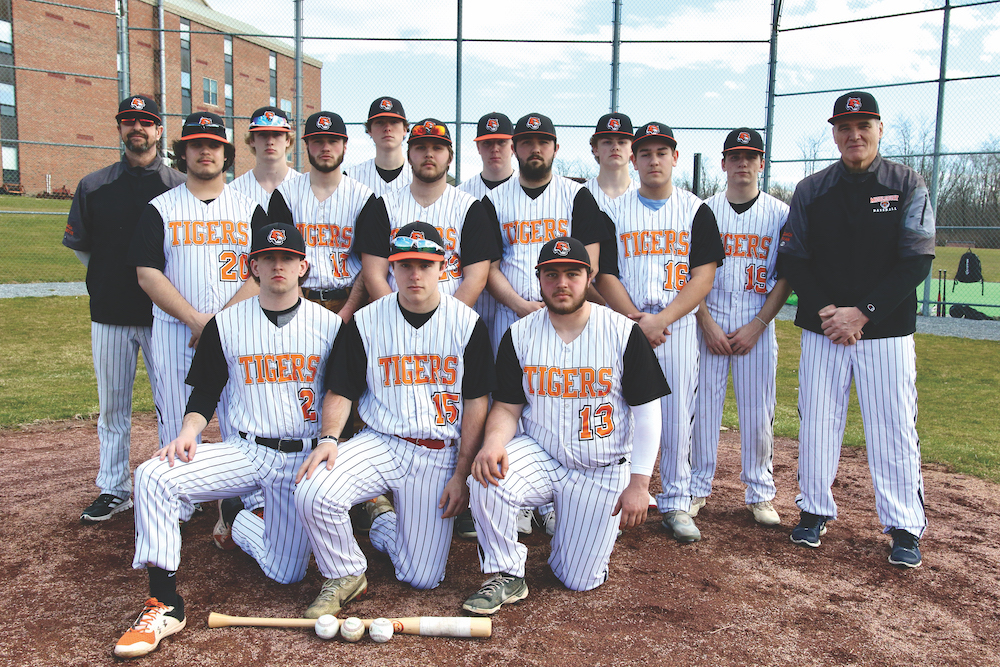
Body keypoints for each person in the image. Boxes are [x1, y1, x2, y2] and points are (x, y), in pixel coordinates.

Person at [113, 223, 342, 658]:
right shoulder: (226, 324)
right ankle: (165, 603)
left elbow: (341, 395)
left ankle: (235, 515)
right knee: (153, 475)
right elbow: (205, 391)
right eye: (268, 258)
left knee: (286, 573)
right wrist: (188, 432)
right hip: (247, 450)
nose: (278, 266)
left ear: (303, 266)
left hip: (303, 461)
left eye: (287, 258)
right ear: (253, 266)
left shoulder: (331, 326)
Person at [295, 222, 494, 618]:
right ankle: (345, 573)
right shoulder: (367, 321)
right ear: (392, 267)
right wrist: (329, 439)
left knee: (421, 577)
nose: (415, 274)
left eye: (425, 264)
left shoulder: (467, 323)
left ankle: (383, 520)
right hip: (381, 442)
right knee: (313, 489)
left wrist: (461, 473)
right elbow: (342, 390)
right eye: (405, 265)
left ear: (443, 267)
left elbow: (477, 403)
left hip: (438, 453)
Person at [462, 236, 669, 615]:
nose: (562, 283)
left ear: (588, 278)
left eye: (572, 274)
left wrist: (640, 483)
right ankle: (506, 573)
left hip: (600, 466)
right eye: (552, 274)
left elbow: (648, 413)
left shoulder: (622, 332)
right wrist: (492, 443)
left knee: (577, 579)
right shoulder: (519, 334)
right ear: (539, 279)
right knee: (487, 477)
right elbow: (507, 406)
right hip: (542, 454)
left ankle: (574, 541)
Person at [777, 91, 934, 568]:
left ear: (879, 129)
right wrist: (829, 310)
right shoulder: (812, 189)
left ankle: (904, 526)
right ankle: (813, 511)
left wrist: (862, 312)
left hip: (884, 330)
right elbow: (794, 258)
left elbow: (917, 259)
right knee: (818, 421)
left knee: (893, 427)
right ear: (835, 134)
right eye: (844, 127)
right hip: (824, 327)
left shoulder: (906, 183)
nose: (854, 134)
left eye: (863, 125)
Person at [484, 113, 613, 536]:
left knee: (559, 400)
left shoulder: (578, 197)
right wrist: (522, 305)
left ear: (556, 147)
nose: (534, 148)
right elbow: (489, 266)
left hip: (567, 316)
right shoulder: (493, 201)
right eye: (526, 141)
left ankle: (555, 498)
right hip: (510, 313)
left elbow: (590, 265)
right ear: (514, 148)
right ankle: (519, 496)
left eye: (543, 141)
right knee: (511, 404)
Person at [595, 122, 724, 543]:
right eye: (646, 153)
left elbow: (704, 277)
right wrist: (634, 320)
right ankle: (614, 498)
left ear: (675, 157)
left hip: (677, 327)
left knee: (678, 415)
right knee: (618, 412)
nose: (654, 160)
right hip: (624, 325)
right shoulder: (613, 212)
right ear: (634, 160)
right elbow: (604, 273)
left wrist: (662, 319)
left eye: (662, 152)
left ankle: (676, 502)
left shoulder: (696, 210)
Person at [63, 95, 185, 522]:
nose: (138, 128)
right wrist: (108, 278)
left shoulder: (178, 185)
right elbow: (83, 247)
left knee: (171, 407)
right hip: (110, 313)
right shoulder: (95, 184)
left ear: (158, 130)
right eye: (129, 121)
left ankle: (177, 488)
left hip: (163, 316)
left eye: (146, 121)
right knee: (113, 407)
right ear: (120, 128)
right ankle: (114, 489)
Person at [128, 112, 267, 452]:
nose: (206, 151)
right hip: (176, 331)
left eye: (214, 145)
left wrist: (217, 323)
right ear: (183, 152)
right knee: (177, 423)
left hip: (237, 329)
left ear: (226, 154)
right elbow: (147, 273)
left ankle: (242, 486)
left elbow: (262, 271)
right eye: (196, 144)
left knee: (242, 422)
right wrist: (194, 319)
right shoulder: (160, 209)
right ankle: (179, 485)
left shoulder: (251, 209)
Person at [690, 128, 791, 525]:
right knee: (701, 410)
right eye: (735, 156)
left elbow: (787, 276)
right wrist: (706, 322)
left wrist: (759, 325)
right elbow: (689, 272)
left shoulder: (780, 214)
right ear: (723, 163)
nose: (742, 163)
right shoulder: (703, 210)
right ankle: (697, 487)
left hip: (757, 319)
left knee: (758, 412)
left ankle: (760, 492)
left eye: (750, 156)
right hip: (708, 319)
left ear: (761, 163)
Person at [358, 118, 498, 309]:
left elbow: (476, 277)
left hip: (452, 315)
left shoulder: (470, 207)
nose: (429, 154)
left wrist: (448, 319)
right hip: (393, 315)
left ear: (450, 158)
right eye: (420, 147)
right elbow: (374, 275)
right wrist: (394, 316)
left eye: (437, 148)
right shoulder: (384, 206)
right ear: (409, 157)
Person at [454, 112, 516, 539]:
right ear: (477, 146)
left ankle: (516, 491)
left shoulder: (532, 190)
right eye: (487, 142)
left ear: (511, 146)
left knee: (519, 401)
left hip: (518, 313)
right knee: (472, 398)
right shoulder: (463, 195)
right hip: (474, 314)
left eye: (501, 142)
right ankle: (472, 487)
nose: (495, 148)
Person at [269, 111, 385, 321]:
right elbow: (279, 259)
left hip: (350, 299)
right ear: (306, 145)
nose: (326, 148)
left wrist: (346, 314)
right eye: (318, 141)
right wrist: (298, 309)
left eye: (333, 141)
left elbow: (370, 266)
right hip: (297, 299)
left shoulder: (363, 197)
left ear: (345, 145)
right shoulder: (285, 195)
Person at [229, 105, 299, 210]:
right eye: (263, 134)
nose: (270, 141)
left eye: (277, 134)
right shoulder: (235, 189)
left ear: (288, 140)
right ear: (252, 140)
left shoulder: (304, 187)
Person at [344, 96, 412, 197]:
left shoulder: (419, 176)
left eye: (394, 122)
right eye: (380, 122)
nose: (387, 128)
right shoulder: (351, 177)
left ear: (405, 129)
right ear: (369, 130)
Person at [583, 112, 637, 213]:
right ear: (595, 149)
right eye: (607, 142)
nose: (615, 147)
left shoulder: (644, 195)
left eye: (622, 142)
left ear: (632, 149)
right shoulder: (580, 194)